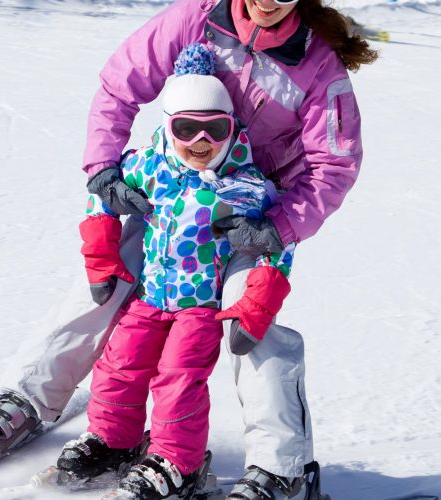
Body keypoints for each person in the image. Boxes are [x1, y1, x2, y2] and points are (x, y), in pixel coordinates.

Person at [0, 1, 376, 498]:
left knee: (254, 323)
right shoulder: (196, 19)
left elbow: (333, 164)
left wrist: (280, 225)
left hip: (250, 215)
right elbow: (120, 85)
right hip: (171, 195)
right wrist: (103, 168)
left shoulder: (316, 64)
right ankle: (30, 397)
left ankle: (281, 469)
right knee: (106, 282)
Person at [54, 44, 296, 499]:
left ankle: (176, 462)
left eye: (215, 129)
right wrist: (101, 251)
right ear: (168, 125)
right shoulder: (149, 165)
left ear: (232, 128)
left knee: (178, 379)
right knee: (118, 366)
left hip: (200, 308)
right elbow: (100, 193)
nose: (200, 143)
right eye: (186, 129)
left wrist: (258, 301)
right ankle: (114, 440)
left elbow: (277, 245)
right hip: (149, 297)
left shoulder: (243, 185)